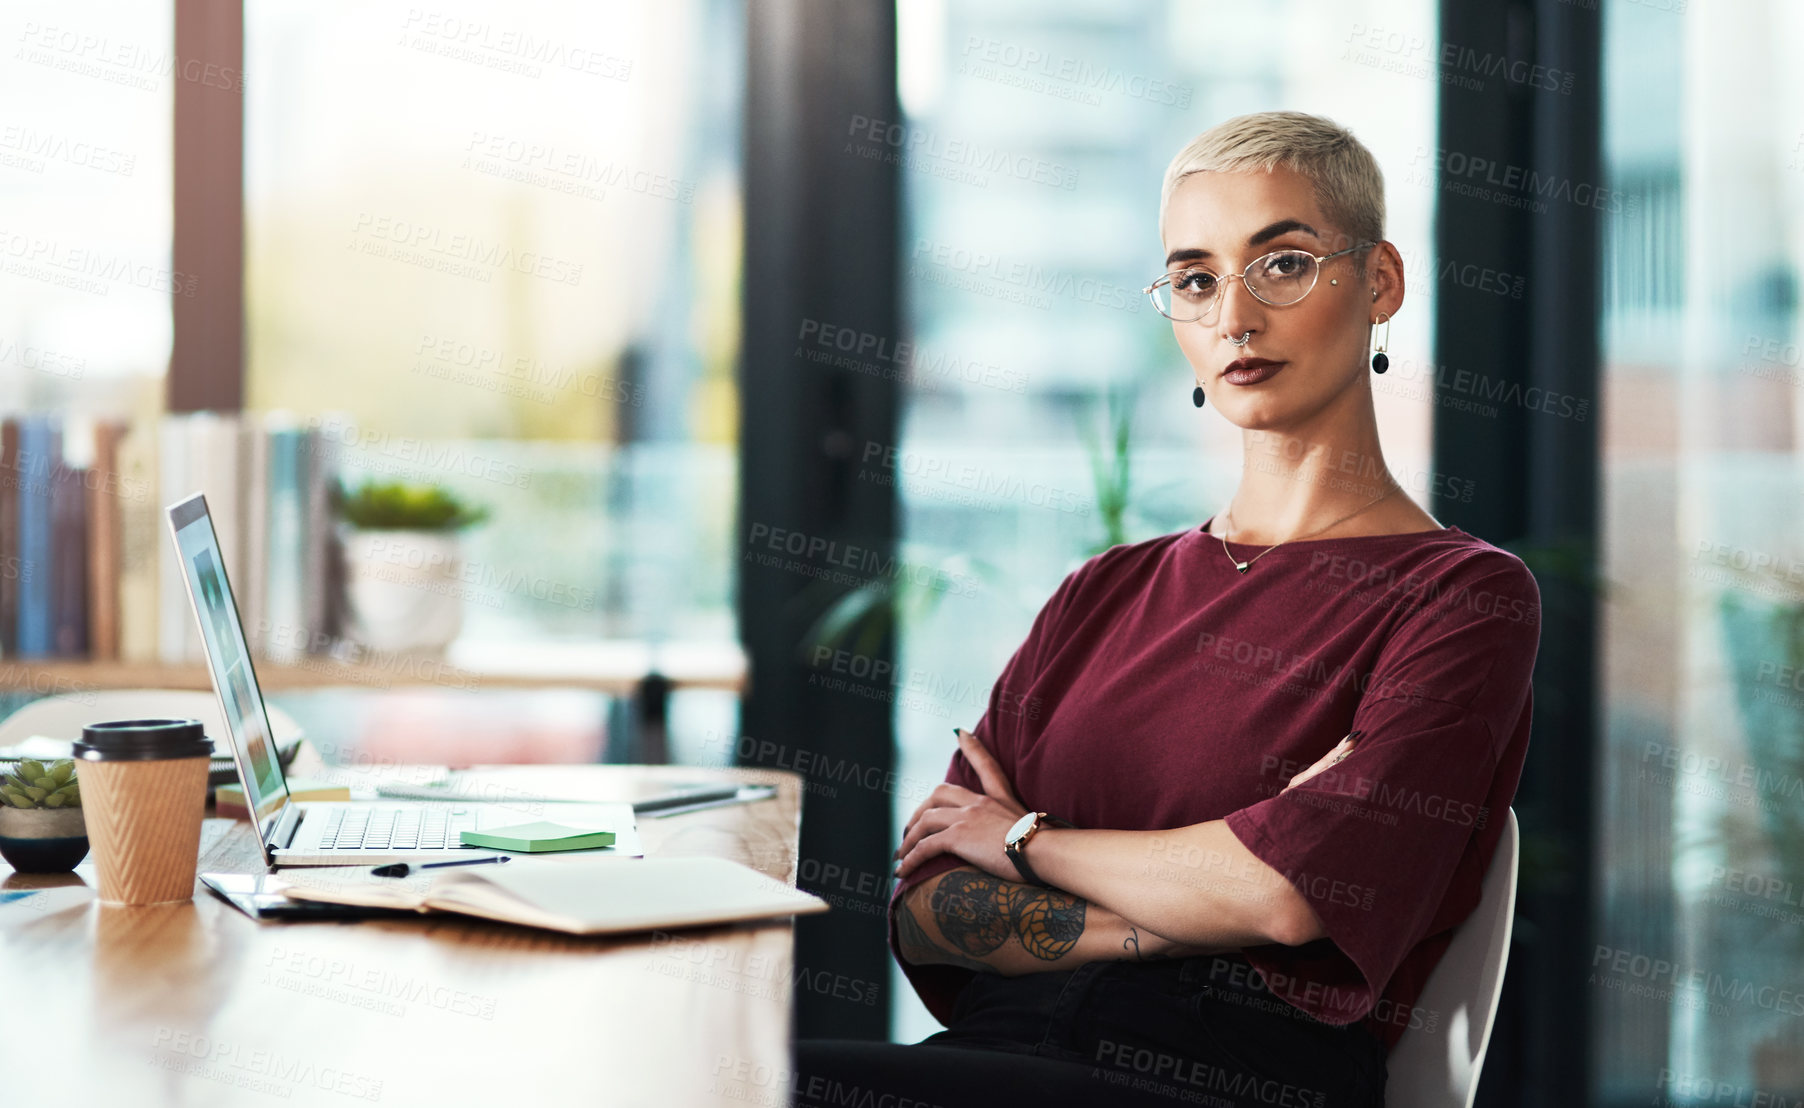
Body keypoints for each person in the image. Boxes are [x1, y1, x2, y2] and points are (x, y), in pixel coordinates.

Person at [791, 109, 1541, 1108]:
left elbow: (1280, 896)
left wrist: (1025, 843)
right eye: (1194, 277)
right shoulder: (1099, 594)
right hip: (995, 1059)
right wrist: (1198, 889)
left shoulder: (1461, 597)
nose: (1233, 313)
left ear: (1381, 282)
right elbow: (929, 904)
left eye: (1282, 263)